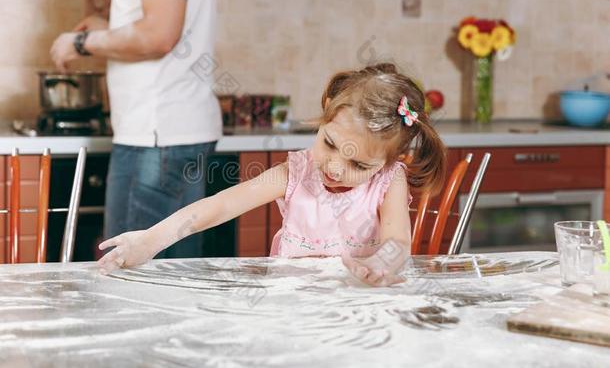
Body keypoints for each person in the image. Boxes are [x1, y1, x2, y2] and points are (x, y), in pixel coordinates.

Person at [98, 63, 447, 286]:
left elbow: (398, 242)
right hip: (289, 306)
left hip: (358, 306)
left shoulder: (390, 180)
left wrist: (380, 265)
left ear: (389, 161)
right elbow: (219, 206)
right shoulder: (296, 172)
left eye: (359, 165)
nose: (335, 167)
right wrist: (152, 240)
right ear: (323, 119)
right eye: (328, 143)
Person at [50, 0, 222, 258]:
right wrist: (112, 28)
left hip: (154, 138)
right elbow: (162, 27)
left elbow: (159, 36)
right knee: (177, 275)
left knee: (133, 279)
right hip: (171, 132)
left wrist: (81, 43)